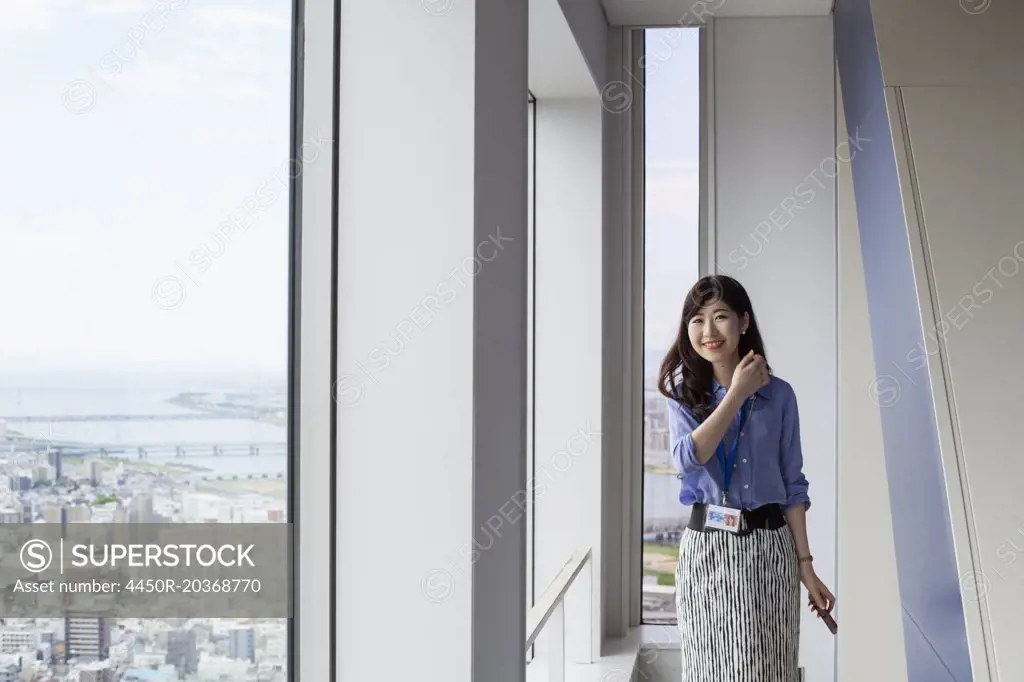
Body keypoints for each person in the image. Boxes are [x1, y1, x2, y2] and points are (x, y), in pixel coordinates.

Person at [658, 274, 835, 682]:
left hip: (770, 551)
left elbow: (794, 485)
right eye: (697, 320)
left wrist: (806, 566)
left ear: (743, 322)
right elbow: (687, 458)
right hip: (708, 553)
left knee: (769, 670)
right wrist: (736, 393)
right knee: (710, 671)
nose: (708, 330)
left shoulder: (781, 395)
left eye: (720, 316)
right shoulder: (682, 395)